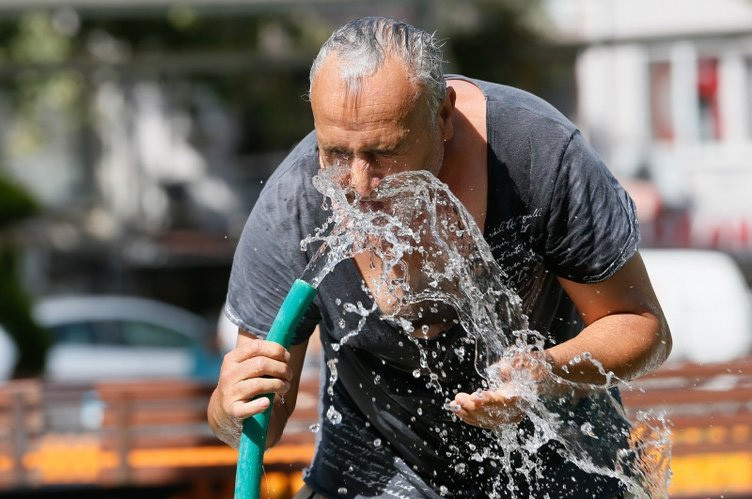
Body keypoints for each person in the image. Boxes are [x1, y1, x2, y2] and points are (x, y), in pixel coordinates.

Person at [208, 17, 671, 499]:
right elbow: (258, 424)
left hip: (560, 452)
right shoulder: (294, 208)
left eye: (385, 153)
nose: (359, 186)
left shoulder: (536, 157)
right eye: (336, 153)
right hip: (372, 469)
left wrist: (546, 373)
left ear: (444, 116)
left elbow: (643, 327)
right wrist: (228, 408)